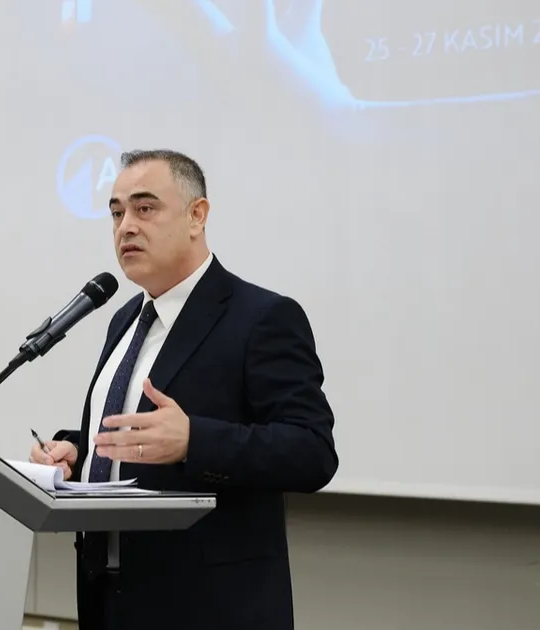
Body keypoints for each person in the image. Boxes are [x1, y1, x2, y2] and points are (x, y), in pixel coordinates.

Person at [29, 149, 338, 630]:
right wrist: (77, 451)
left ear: (197, 215)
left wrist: (195, 440)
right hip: (107, 599)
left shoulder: (262, 318)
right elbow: (133, 434)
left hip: (208, 606)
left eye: (145, 208)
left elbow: (312, 450)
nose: (126, 227)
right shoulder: (125, 318)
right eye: (117, 213)